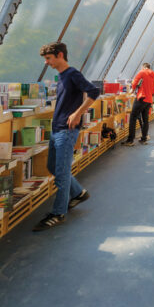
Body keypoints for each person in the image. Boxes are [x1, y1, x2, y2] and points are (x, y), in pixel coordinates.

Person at [34, 40, 99, 231]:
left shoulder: (72, 74)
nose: (46, 63)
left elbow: (95, 91)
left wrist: (78, 113)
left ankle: (58, 213)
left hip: (66, 131)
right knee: (53, 166)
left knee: (61, 173)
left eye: (48, 58)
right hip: (57, 129)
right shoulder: (61, 76)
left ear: (60, 55)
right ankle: (79, 193)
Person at [123, 62, 154, 146]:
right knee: (145, 119)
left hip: (142, 98)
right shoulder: (153, 75)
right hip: (149, 100)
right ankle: (144, 138)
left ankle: (130, 140)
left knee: (133, 118)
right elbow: (153, 89)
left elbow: (135, 82)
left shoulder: (142, 72)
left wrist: (132, 90)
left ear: (143, 67)